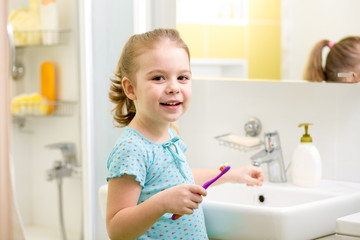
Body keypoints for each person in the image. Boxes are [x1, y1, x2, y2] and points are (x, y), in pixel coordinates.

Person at [106, 28, 264, 240]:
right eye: (158, 78)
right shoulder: (132, 148)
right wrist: (162, 203)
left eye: (182, 77)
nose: (174, 87)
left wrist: (231, 175)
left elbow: (178, 179)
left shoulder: (170, 135)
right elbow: (116, 229)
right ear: (131, 89)